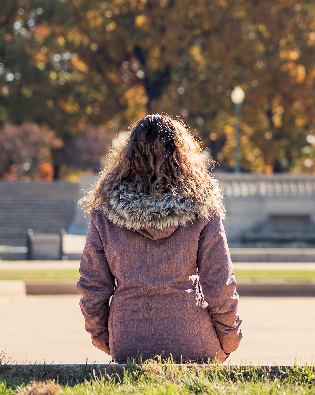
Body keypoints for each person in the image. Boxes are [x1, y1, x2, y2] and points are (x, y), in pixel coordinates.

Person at [77, 114, 241, 363]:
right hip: (193, 337)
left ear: (128, 155)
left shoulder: (105, 211)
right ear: (182, 155)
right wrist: (229, 339)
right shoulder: (202, 207)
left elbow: (93, 285)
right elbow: (220, 283)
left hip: (128, 338)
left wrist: (104, 336)